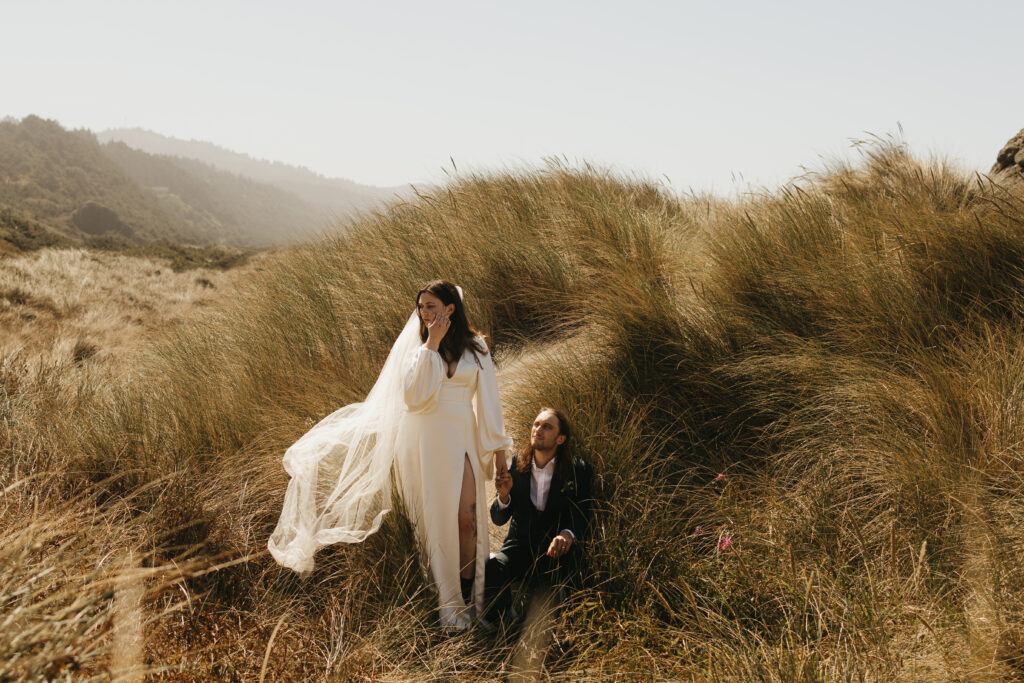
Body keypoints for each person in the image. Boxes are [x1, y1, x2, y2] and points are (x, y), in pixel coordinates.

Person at [268, 281, 511, 632]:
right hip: (422, 440)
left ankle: (473, 601)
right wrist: (432, 344)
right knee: (433, 522)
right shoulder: (418, 348)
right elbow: (415, 400)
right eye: (421, 307)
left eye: (431, 305)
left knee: (467, 518)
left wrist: (499, 457)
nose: (424, 313)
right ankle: (449, 607)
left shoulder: (477, 349)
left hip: (462, 437)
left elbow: (490, 406)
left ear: (451, 308)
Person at [484, 407, 593, 625]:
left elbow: (583, 514)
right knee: (490, 569)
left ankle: (563, 628)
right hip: (519, 546)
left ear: (560, 438)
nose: (538, 429)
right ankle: (505, 621)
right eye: (536, 424)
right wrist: (504, 496)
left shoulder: (578, 470)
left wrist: (567, 534)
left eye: (547, 426)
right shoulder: (514, 465)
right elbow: (498, 519)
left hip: (555, 551)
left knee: (569, 585)